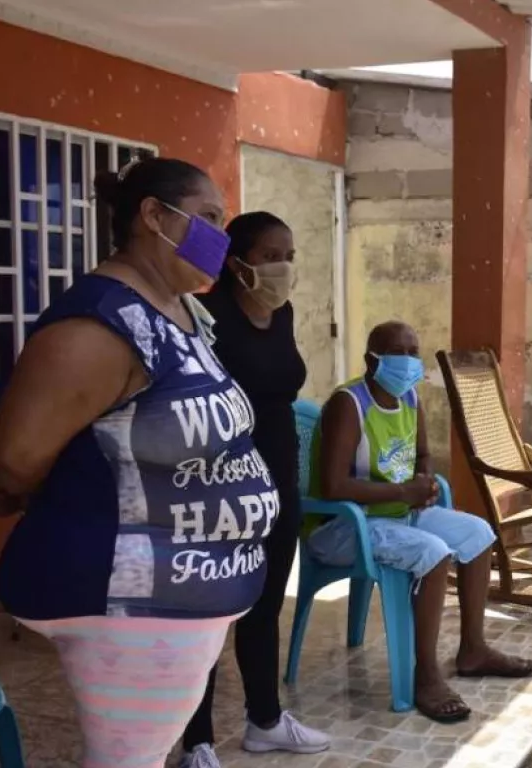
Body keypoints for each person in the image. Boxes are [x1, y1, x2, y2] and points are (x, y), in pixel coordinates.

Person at [0, 158, 277, 768]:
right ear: (153, 216)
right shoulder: (100, 326)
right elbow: (16, 461)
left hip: (178, 596)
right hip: (131, 599)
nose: (220, 237)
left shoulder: (177, 309)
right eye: (208, 217)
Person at [310, 321, 532, 724]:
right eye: (398, 352)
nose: (409, 361)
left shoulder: (410, 397)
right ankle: (426, 675)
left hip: (399, 514)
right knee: (433, 553)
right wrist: (403, 492)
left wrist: (425, 482)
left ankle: (473, 649)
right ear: (372, 360)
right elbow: (332, 486)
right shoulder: (350, 404)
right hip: (345, 526)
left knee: (478, 534)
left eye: (413, 352)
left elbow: (423, 457)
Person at [178, 213, 329, 767]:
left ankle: (265, 720)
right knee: (210, 615)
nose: (283, 266)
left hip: (278, 478)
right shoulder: (204, 317)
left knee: (264, 606)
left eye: (289, 255)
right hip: (220, 484)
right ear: (236, 261)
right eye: (270, 255)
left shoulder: (281, 313)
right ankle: (197, 742)